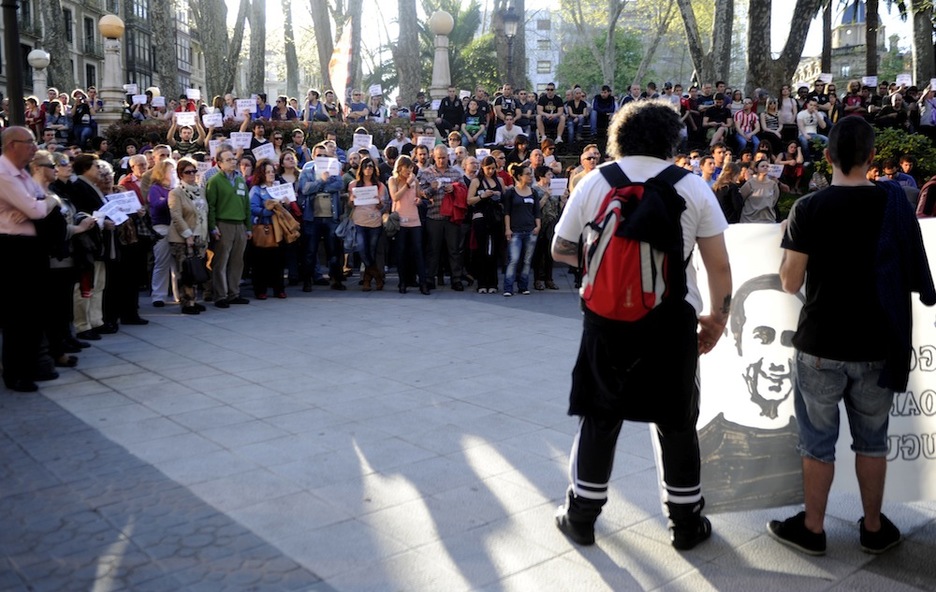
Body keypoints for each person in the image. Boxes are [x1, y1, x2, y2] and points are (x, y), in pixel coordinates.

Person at [550, 100, 732, 550]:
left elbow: (559, 247)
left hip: (604, 318)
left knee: (599, 414)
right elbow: (719, 266)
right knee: (676, 419)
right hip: (672, 320)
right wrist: (716, 318)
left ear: (620, 137)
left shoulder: (596, 180)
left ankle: (582, 516)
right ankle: (686, 524)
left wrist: (600, 267)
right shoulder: (692, 187)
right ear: (672, 139)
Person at [768, 116, 936, 556]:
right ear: (872, 157)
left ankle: (813, 528)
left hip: (821, 344)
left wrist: (789, 240)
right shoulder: (895, 203)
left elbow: (789, 282)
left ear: (827, 157)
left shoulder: (808, 208)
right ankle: (875, 528)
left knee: (817, 443)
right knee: (873, 441)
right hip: (878, 343)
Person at [699, 274, 805, 511]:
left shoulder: (814, 452)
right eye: (763, 337)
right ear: (736, 339)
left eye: (789, 340)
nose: (777, 360)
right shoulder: (705, 450)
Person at [0, 129, 58, 391]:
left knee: (34, 313)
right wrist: (44, 203)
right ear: (13, 145)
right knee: (18, 315)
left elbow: (38, 201)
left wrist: (46, 200)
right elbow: (36, 208)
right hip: (13, 250)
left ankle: (31, 365)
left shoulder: (23, 173)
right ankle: (16, 373)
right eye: (30, 143)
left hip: (31, 248)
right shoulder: (4, 174)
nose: (35, 147)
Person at [206, 147, 252, 308]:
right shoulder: (215, 181)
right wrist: (213, 227)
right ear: (219, 163)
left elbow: (246, 205)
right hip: (223, 224)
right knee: (221, 261)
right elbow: (210, 206)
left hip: (239, 225)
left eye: (233, 159)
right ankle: (220, 295)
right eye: (228, 160)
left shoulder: (240, 180)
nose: (233, 162)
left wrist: (248, 227)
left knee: (237, 261)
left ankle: (234, 293)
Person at [168, 158, 209, 314]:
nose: (191, 175)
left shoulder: (200, 190)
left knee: (196, 268)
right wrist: (187, 235)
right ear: (180, 174)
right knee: (185, 270)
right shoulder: (176, 193)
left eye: (194, 171)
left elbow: (204, 211)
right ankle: (186, 302)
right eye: (188, 172)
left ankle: (194, 300)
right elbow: (176, 216)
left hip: (199, 235)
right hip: (182, 238)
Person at [388, 155, 429, 295]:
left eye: (411, 168)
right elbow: (395, 197)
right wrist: (407, 184)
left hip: (414, 220)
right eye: (407, 168)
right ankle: (402, 282)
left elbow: (418, 196)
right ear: (400, 168)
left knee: (418, 251)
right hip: (400, 220)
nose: (410, 171)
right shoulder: (393, 180)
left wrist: (419, 199)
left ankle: (423, 283)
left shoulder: (415, 180)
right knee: (401, 252)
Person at [348, 157, 387, 291]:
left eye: (370, 166)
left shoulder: (380, 185)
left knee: (371, 250)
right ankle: (377, 276)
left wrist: (379, 202)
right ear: (361, 168)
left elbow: (383, 206)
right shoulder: (353, 184)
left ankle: (367, 280)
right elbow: (350, 204)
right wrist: (352, 199)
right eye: (365, 166)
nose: (368, 169)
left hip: (374, 221)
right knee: (362, 249)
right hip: (359, 221)